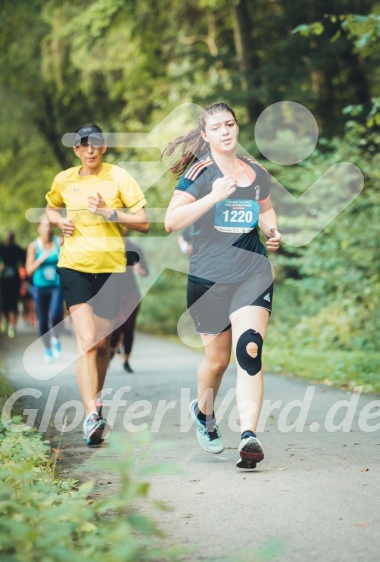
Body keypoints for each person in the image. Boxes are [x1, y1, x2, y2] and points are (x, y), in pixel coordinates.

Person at [163, 102, 281, 469]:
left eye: (230, 124)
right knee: (216, 362)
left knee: (249, 349)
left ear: (237, 127)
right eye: (217, 127)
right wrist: (213, 196)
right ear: (205, 135)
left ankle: (249, 436)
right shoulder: (200, 172)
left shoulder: (256, 172)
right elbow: (171, 221)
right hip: (209, 277)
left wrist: (272, 230)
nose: (226, 131)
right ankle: (204, 412)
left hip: (252, 271)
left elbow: (265, 209)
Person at [46, 124, 149, 446]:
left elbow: (144, 222)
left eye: (96, 144)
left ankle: (96, 399)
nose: (90, 149)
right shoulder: (64, 180)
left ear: (103, 148)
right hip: (73, 266)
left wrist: (110, 212)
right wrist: (58, 221)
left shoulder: (119, 177)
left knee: (102, 344)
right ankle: (91, 414)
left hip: (111, 270)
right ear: (76, 150)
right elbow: (51, 207)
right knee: (87, 340)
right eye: (83, 145)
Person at [25, 215, 64, 364]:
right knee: (42, 321)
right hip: (40, 287)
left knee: (55, 314)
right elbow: (28, 270)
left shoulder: (59, 242)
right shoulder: (34, 246)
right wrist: (41, 259)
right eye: (44, 226)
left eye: (49, 225)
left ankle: (56, 338)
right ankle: (48, 349)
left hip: (56, 285)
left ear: (52, 227)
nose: (47, 228)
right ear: (39, 228)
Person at [110, 236, 149, 373]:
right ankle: (109, 352)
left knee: (128, 327)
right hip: (112, 293)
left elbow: (145, 272)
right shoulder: (108, 246)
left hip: (131, 293)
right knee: (115, 325)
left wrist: (139, 269)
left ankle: (126, 360)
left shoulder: (135, 249)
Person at [0, 231, 26, 338]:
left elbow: (24, 262)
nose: (9, 240)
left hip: (15, 281)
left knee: (14, 304)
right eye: (7, 238)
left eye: (10, 238)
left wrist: (24, 278)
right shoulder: (1, 248)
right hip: (3, 281)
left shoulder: (17, 250)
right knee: (3, 303)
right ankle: (5, 320)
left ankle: (12, 326)